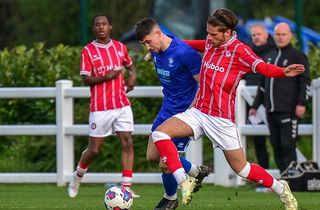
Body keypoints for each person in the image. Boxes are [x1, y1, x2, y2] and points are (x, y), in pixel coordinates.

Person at [151, 8, 303, 210]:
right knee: (160, 133)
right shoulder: (210, 43)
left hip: (221, 119)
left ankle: (281, 188)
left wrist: (283, 72)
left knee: (242, 168)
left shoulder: (241, 51)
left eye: (213, 34)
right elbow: (185, 45)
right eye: (207, 33)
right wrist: (164, 46)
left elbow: (263, 68)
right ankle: (183, 180)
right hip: (198, 112)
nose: (208, 38)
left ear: (228, 33)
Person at [135, 18, 211, 209]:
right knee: (152, 156)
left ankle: (170, 198)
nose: (147, 47)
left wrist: (190, 112)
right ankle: (196, 171)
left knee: (164, 162)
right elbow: (153, 54)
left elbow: (203, 86)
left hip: (183, 114)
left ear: (159, 34)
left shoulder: (185, 53)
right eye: (143, 44)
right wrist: (149, 53)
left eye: (148, 42)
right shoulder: (156, 49)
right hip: (166, 109)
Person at [68, 14, 139, 198]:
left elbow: (130, 66)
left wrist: (132, 76)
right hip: (100, 107)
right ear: (93, 29)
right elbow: (85, 79)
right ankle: (77, 176)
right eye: (97, 25)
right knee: (94, 150)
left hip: (122, 104)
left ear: (110, 27)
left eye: (104, 24)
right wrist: (106, 77)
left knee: (128, 143)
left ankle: (126, 187)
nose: (101, 27)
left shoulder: (120, 47)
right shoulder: (88, 51)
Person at [250, 22, 310, 173]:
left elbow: (304, 81)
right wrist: (255, 106)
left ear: (290, 35)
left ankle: (293, 179)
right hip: (271, 110)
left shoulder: (297, 56)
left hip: (289, 109)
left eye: (283, 34)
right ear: (274, 36)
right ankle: (283, 180)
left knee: (287, 144)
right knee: (276, 145)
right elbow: (262, 85)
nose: (281, 37)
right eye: (278, 34)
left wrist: (302, 102)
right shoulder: (270, 57)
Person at [244, 24, 277, 171]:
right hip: (249, 100)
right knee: (258, 140)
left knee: (278, 140)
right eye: (253, 35)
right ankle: (265, 175)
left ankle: (283, 174)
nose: (256, 37)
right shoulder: (248, 52)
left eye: (258, 34)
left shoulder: (275, 52)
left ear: (266, 35)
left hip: (271, 101)